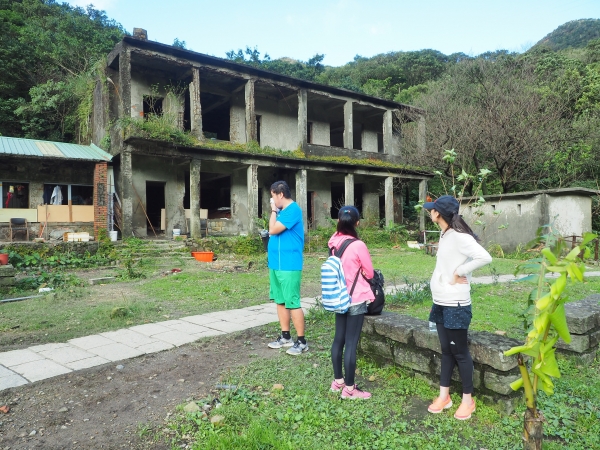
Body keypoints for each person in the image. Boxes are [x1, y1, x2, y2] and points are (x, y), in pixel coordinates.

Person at [423, 195, 492, 420]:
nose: (429, 212)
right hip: (441, 302)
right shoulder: (446, 234)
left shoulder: (459, 236)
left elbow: (484, 257)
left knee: (460, 353)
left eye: (431, 210)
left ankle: (467, 400)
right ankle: (444, 396)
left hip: (456, 304)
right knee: (446, 350)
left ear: (438, 214)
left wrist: (460, 272)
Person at [328, 205, 374, 399]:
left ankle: (338, 381)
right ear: (357, 223)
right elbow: (370, 273)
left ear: (338, 221)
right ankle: (349, 389)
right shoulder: (358, 245)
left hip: (339, 297)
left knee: (338, 339)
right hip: (355, 298)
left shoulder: (333, 242)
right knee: (351, 343)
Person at [266, 180, 307, 356]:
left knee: (292, 302)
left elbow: (273, 230)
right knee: (280, 301)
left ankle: (302, 341)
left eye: (273, 196)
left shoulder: (293, 210)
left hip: (289, 265)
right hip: (276, 264)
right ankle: (285, 337)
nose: (272, 200)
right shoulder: (282, 212)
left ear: (280, 194)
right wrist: (276, 211)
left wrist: (274, 210)